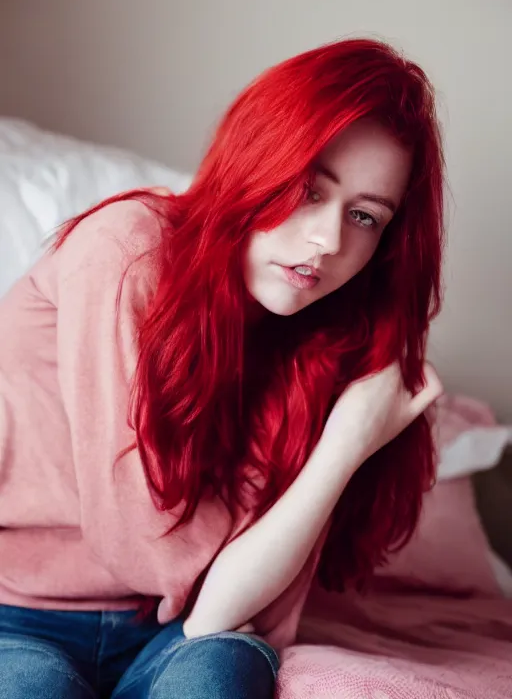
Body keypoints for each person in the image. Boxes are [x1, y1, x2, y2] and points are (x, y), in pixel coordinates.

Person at [0, 38, 444, 698]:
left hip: (177, 636)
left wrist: (346, 443)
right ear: (252, 167)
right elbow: (145, 551)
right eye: (305, 191)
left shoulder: (321, 337)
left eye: (364, 216)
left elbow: (224, 614)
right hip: (22, 621)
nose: (329, 240)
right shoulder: (125, 251)